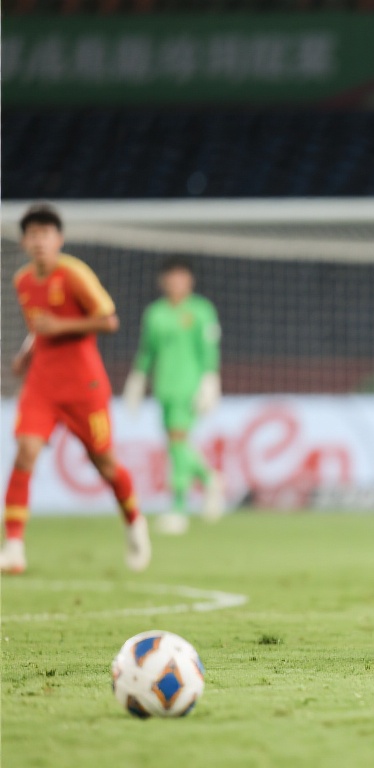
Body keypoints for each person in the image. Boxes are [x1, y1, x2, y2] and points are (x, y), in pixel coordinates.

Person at [0, 204, 151, 574]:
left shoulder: (74, 274)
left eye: (46, 234)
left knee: (105, 463)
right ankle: (14, 547)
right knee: (25, 453)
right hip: (42, 385)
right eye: (33, 234)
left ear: (59, 239)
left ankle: (134, 521)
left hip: (84, 386)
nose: (40, 241)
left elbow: (109, 320)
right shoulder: (22, 281)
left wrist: (60, 326)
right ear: (24, 242)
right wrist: (25, 355)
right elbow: (39, 328)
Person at [123, 256, 224, 535]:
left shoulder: (202, 310)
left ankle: (179, 508)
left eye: (182, 277)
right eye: (172, 277)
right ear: (163, 281)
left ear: (190, 280)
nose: (177, 283)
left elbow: (209, 348)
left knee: (177, 443)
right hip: (164, 388)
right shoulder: (155, 313)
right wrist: (138, 377)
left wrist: (210, 379)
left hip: (189, 387)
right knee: (176, 445)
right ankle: (209, 478)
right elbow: (147, 350)